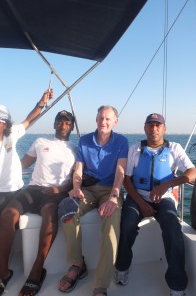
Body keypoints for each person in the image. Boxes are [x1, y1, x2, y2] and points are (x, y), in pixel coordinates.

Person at [114, 113, 196, 296]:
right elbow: (127, 180)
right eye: (150, 125)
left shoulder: (174, 148)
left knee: (173, 227)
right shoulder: (135, 149)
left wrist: (168, 184)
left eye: (158, 125)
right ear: (145, 128)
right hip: (137, 197)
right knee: (127, 224)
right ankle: (122, 267)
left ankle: (177, 285)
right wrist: (141, 204)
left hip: (165, 199)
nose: (154, 129)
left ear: (164, 128)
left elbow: (192, 173)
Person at [0, 109, 76, 296]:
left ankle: (36, 271)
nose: (63, 125)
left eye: (67, 123)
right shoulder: (40, 142)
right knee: (7, 215)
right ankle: (3, 273)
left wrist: (60, 190)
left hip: (55, 194)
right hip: (32, 190)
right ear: (54, 124)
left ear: (72, 127)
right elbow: (21, 165)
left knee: (50, 215)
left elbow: (77, 177)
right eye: (60, 121)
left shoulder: (75, 149)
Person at [58, 105, 129, 296]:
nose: (103, 122)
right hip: (87, 190)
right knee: (67, 210)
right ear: (96, 119)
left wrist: (114, 197)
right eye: (100, 118)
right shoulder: (85, 140)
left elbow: (120, 172)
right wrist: (75, 188)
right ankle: (77, 263)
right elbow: (79, 170)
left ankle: (101, 284)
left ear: (115, 121)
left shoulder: (122, 141)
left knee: (112, 223)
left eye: (107, 118)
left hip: (110, 190)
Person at [0, 90, 53, 213]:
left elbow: (28, 120)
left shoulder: (11, 134)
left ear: (5, 125)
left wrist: (42, 102)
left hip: (16, 191)